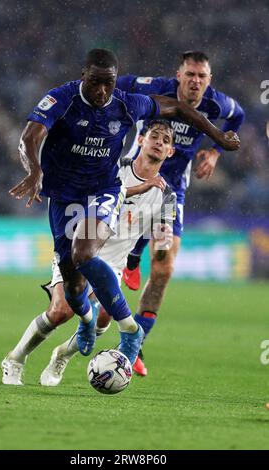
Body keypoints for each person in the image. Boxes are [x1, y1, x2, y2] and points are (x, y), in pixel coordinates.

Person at [3, 48, 239, 384]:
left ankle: (128, 331)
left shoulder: (130, 106)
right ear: (84, 75)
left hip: (102, 193)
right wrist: (35, 170)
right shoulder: (62, 99)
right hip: (65, 198)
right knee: (66, 304)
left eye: (108, 85)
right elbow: (31, 136)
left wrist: (218, 139)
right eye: (96, 83)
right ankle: (17, 357)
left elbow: (181, 109)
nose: (102, 92)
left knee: (85, 261)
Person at [2, 119, 176, 386]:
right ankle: (15, 358)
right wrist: (141, 187)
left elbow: (154, 237)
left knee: (103, 318)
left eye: (166, 140)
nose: (159, 142)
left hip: (114, 263)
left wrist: (154, 250)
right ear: (141, 140)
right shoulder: (114, 170)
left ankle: (62, 355)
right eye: (154, 136)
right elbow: (95, 196)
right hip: (81, 249)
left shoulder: (167, 196)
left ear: (171, 152)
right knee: (61, 311)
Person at [116, 51, 245, 375]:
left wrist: (214, 152)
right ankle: (128, 261)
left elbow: (238, 117)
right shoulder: (155, 87)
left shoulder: (215, 104)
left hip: (172, 192)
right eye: (190, 75)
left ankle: (133, 347)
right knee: (107, 261)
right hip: (134, 179)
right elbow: (117, 85)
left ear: (209, 80)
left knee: (163, 269)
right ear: (178, 76)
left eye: (201, 76)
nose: (195, 82)